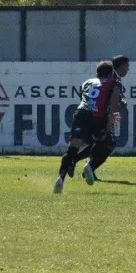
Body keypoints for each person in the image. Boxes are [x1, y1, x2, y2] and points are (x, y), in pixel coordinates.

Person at [53, 60, 121, 194]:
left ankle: (60, 178)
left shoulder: (87, 83)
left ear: (97, 73)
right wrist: (109, 123)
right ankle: (90, 166)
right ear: (112, 73)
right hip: (98, 116)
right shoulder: (114, 83)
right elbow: (113, 107)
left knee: (73, 147)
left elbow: (88, 99)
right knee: (107, 143)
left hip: (81, 114)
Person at [78, 55, 129, 183]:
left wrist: (120, 101)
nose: (128, 69)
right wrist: (112, 115)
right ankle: (89, 166)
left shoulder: (107, 77)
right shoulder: (114, 78)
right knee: (108, 144)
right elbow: (108, 95)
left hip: (91, 114)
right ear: (120, 66)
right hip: (101, 116)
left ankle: (85, 166)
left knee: (98, 143)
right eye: (127, 66)